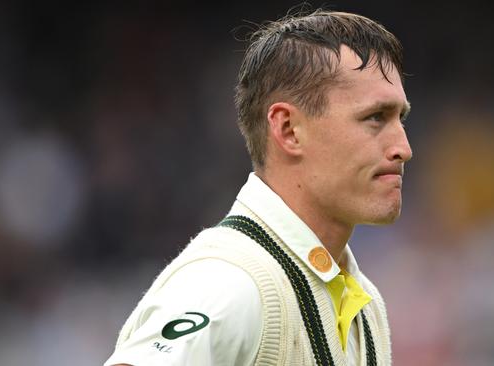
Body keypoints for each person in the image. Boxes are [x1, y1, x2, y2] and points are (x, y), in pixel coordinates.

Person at [105, 8, 412, 366]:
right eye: (375, 117)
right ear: (288, 130)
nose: (403, 147)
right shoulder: (230, 284)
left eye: (400, 118)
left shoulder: (366, 304)